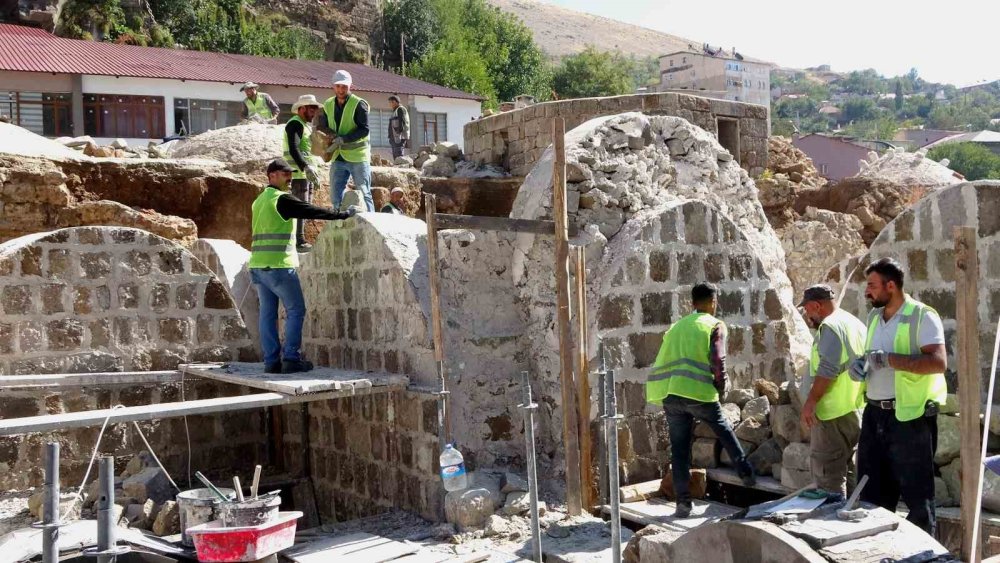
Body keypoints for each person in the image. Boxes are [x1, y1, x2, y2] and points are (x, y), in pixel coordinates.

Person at [851, 257, 947, 534]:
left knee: (918, 499)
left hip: (909, 417)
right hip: (874, 415)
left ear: (890, 286)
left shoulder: (922, 316)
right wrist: (861, 365)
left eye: (872, 286)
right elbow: (871, 356)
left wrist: (891, 360)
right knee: (871, 495)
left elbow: (938, 363)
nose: (867, 292)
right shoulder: (873, 317)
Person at [647, 282, 755, 518]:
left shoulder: (676, 328)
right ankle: (747, 474)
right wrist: (721, 383)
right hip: (699, 393)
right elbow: (717, 357)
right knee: (724, 430)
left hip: (672, 394)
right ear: (714, 302)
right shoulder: (715, 324)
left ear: (692, 303)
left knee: (680, 450)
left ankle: (683, 504)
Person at [249, 159, 356, 374]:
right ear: (272, 176)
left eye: (290, 174)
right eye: (285, 174)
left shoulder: (259, 200)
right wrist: (342, 214)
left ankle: (271, 362)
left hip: (258, 267)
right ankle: (291, 358)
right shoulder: (281, 199)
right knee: (296, 310)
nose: (290, 178)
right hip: (279, 265)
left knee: (267, 314)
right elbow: (310, 211)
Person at [797, 284, 866, 497]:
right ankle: (852, 516)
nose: (807, 315)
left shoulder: (830, 326)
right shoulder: (853, 322)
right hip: (853, 408)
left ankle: (831, 525)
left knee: (828, 479)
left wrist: (810, 402)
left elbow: (828, 369)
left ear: (817, 306)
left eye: (807, 309)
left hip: (830, 415)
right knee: (851, 471)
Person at [315, 70, 374, 212]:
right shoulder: (328, 104)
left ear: (350, 86)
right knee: (335, 195)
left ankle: (372, 221)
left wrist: (344, 139)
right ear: (333, 87)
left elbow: (364, 130)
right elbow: (322, 125)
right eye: (338, 86)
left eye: (344, 86)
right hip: (337, 155)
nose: (341, 89)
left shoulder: (359, 104)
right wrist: (328, 135)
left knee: (364, 192)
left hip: (357, 156)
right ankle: (338, 221)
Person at [283, 94, 324, 252]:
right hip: (299, 174)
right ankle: (298, 240)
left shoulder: (304, 125)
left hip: (306, 175)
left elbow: (306, 150)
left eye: (315, 110)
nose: (314, 113)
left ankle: (299, 239)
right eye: (311, 109)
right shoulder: (295, 124)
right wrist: (305, 167)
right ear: (302, 108)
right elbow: (294, 149)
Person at [387, 95, 410, 160]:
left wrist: (398, 134)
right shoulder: (395, 110)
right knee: (395, 155)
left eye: (390, 102)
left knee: (398, 155)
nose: (389, 104)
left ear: (394, 102)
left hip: (398, 137)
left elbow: (402, 122)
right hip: (394, 137)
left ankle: (400, 168)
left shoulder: (400, 109)